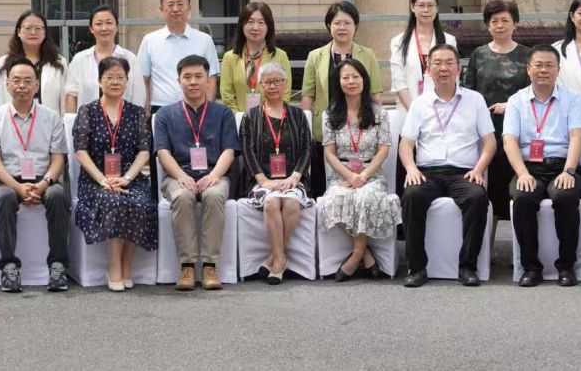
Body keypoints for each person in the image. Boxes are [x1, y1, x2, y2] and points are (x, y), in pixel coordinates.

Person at [397, 44, 496, 288]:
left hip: (464, 173)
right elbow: (406, 144)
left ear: (458, 68)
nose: (443, 68)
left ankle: (467, 267)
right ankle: (416, 268)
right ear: (428, 69)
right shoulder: (420, 103)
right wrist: (411, 169)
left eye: (449, 63)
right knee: (411, 195)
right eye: (437, 63)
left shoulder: (475, 100)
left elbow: (490, 142)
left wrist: (478, 169)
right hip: (427, 173)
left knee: (477, 197)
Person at [0, 58, 72, 293]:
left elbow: (58, 159)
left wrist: (44, 184)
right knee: (4, 197)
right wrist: (18, 187)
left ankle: (58, 265)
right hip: (7, 181)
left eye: (28, 81)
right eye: (16, 81)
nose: (22, 86)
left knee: (58, 196)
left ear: (37, 85)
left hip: (44, 179)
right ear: (7, 85)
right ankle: (9, 266)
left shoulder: (51, 117)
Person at [501, 44, 581, 287]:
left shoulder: (572, 98)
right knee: (523, 198)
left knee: (565, 196)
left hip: (563, 165)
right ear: (528, 69)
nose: (543, 70)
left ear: (558, 70)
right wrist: (522, 174)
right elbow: (509, 141)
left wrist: (569, 171)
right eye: (538, 65)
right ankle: (531, 268)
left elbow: (577, 137)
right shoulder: (516, 100)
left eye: (549, 65)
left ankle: (566, 266)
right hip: (529, 167)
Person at [152, 54, 236, 290]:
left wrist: (214, 176)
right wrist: (181, 176)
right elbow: (162, 152)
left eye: (199, 76)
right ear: (178, 81)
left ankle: (210, 266)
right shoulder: (165, 115)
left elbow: (229, 150)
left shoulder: (223, 113)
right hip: (177, 176)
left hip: (214, 174)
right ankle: (187, 266)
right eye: (187, 77)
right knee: (182, 196)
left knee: (215, 195)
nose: (193, 81)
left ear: (208, 80)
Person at [74, 56, 157, 291]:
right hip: (95, 180)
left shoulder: (136, 113)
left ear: (127, 82)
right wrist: (103, 180)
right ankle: (114, 267)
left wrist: (126, 178)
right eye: (109, 77)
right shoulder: (88, 111)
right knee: (114, 201)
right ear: (99, 81)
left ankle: (126, 263)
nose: (115, 82)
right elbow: (80, 151)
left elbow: (144, 151)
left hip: (130, 177)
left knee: (142, 203)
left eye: (120, 77)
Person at [317, 57, 399, 281]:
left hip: (371, 175)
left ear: (364, 80)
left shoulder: (379, 113)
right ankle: (366, 254)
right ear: (338, 82)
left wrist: (363, 176)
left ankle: (355, 256)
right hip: (341, 175)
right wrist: (349, 176)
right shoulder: (330, 114)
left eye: (356, 76)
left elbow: (383, 150)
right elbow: (329, 153)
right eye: (346, 77)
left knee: (364, 198)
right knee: (333, 200)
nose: (351, 81)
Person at [236, 62, 309, 284]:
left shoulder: (298, 115)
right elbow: (247, 151)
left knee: (291, 203)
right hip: (262, 181)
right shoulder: (250, 117)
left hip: (293, 180)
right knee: (271, 202)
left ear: (285, 84)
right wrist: (263, 179)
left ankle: (274, 257)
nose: (272, 86)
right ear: (260, 86)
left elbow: (307, 149)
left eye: (277, 81)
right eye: (267, 82)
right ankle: (280, 259)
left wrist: (295, 176)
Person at [301, 1, 379, 197]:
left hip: (358, 129)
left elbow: (375, 93)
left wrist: (373, 121)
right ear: (329, 25)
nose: (342, 27)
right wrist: (306, 128)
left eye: (347, 23)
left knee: (356, 186)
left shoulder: (368, 55)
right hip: (324, 129)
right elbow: (308, 95)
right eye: (337, 23)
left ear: (355, 25)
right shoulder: (315, 56)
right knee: (320, 184)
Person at [465, 0, 532, 219]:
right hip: (485, 129)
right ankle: (490, 236)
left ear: (515, 24)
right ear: (488, 25)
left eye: (505, 20)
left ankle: (516, 235)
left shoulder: (527, 55)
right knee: (489, 188)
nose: (500, 25)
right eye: (494, 21)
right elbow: (468, 91)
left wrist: (510, 105)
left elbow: (535, 92)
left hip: (519, 129)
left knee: (517, 185)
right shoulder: (478, 54)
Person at [137, 0, 219, 115]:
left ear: (189, 8)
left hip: (197, 108)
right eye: (170, 5)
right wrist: (144, 111)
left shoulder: (204, 40)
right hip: (161, 109)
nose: (175, 9)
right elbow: (143, 79)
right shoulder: (150, 40)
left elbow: (211, 78)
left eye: (180, 4)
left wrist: (208, 111)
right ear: (161, 9)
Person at [64, 5, 146, 111]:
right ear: (91, 28)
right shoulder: (80, 59)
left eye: (109, 23)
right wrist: (72, 120)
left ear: (117, 27)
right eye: (99, 24)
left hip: (124, 120)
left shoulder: (129, 58)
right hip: (86, 120)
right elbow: (71, 95)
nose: (104, 28)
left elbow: (138, 96)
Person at [388, 0, 459, 108]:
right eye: (421, 5)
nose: (426, 10)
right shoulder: (398, 42)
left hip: (441, 109)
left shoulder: (449, 40)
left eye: (430, 6)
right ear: (412, 7)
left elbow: (454, 77)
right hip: (408, 110)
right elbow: (398, 81)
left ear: (437, 9)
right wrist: (414, 112)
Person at [219, 2, 289, 113]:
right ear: (242, 25)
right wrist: (241, 119)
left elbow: (285, 94)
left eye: (261, 22)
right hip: (238, 119)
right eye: (250, 22)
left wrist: (268, 119)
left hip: (271, 120)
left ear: (268, 26)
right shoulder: (230, 58)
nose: (255, 27)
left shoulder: (280, 56)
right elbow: (227, 95)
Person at [0, 11, 67, 112]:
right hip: (13, 119)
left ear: (44, 32)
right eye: (28, 28)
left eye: (38, 28)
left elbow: (64, 102)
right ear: (18, 32)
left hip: (49, 120)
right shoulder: (3, 63)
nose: (33, 32)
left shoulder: (59, 63)